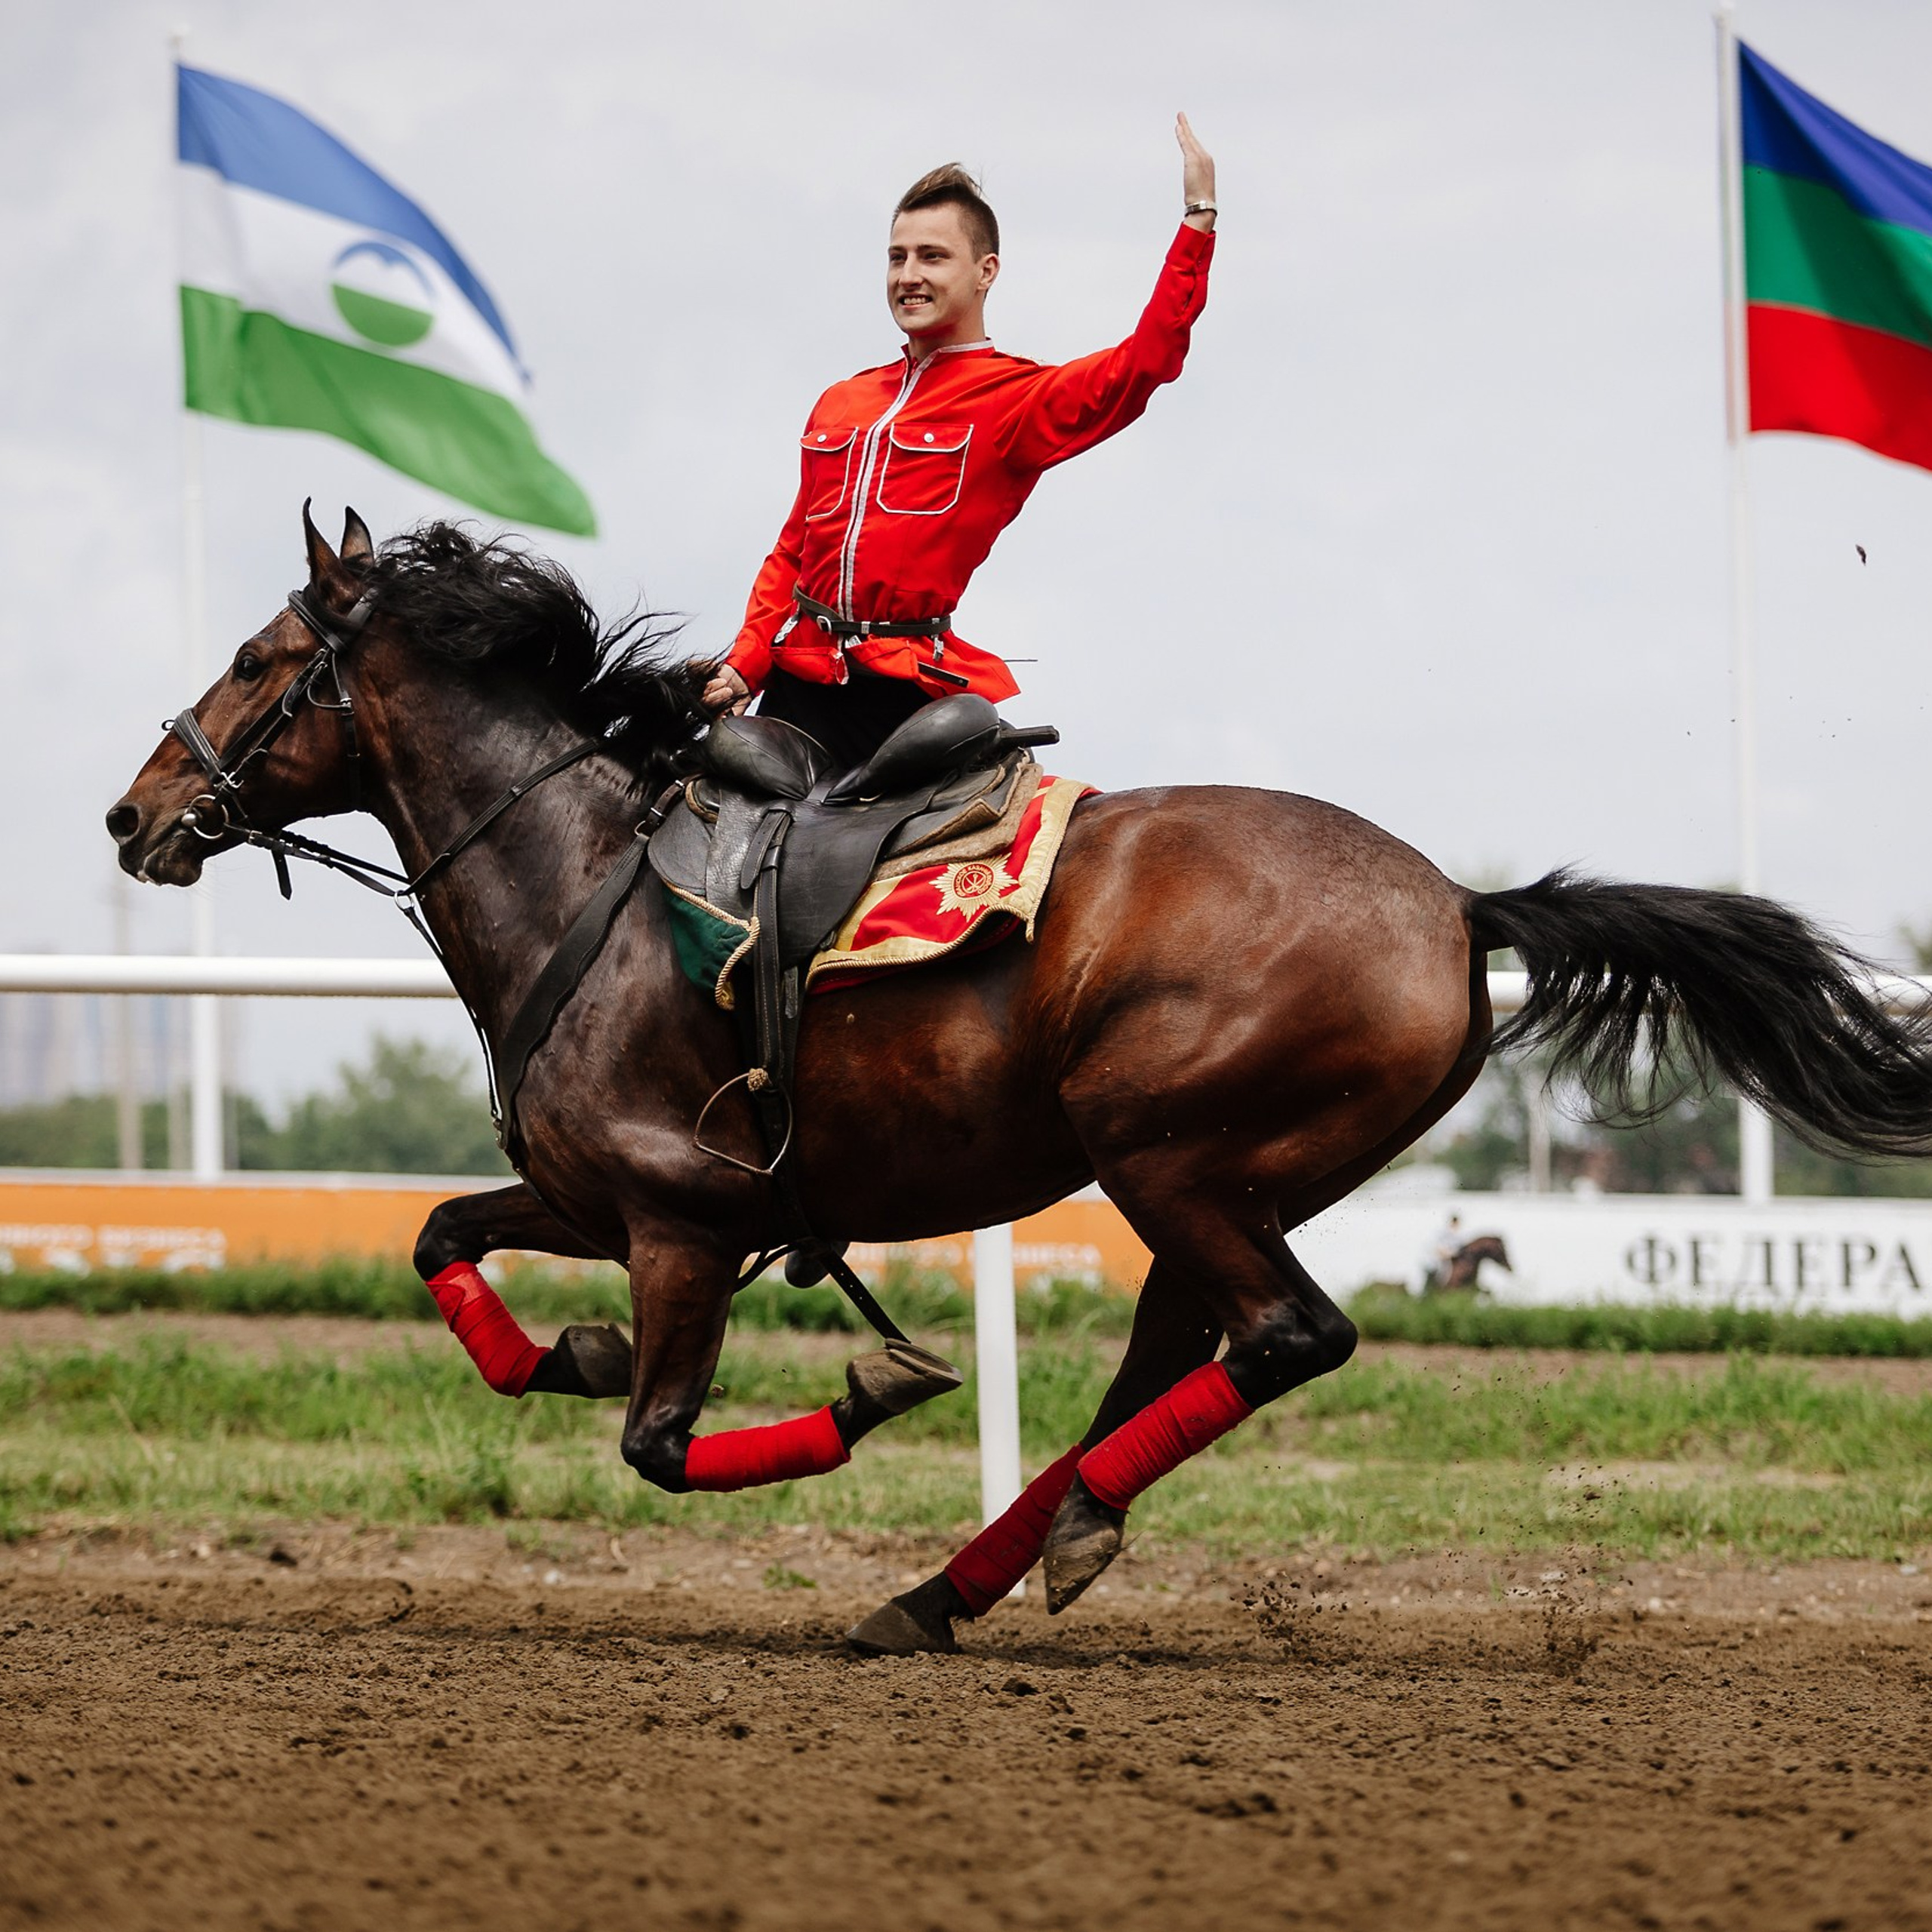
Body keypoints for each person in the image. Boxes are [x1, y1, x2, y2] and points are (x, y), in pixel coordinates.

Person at [701, 116, 1219, 769]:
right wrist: (745, 662)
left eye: (933, 256)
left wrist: (1197, 221)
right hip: (797, 688)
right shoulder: (843, 399)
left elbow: (1146, 362)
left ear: (986, 271)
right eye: (898, 257)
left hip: (909, 701)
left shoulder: (1013, 399)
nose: (909, 275)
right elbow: (793, 550)